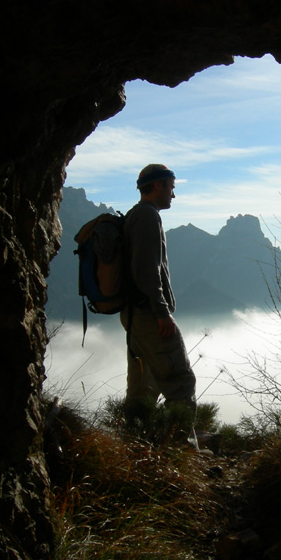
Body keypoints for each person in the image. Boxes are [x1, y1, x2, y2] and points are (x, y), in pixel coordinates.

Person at [119, 163, 197, 443]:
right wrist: (162, 312)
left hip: (134, 316)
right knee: (180, 380)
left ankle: (136, 446)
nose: (172, 196)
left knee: (143, 387)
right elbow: (146, 270)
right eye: (171, 188)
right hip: (149, 315)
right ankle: (180, 448)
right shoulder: (147, 217)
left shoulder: (135, 216)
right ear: (157, 186)